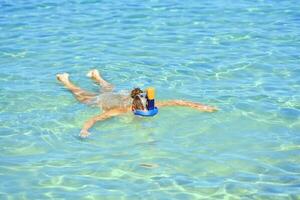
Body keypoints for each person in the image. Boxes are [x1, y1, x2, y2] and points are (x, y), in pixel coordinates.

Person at [56, 69, 217, 138]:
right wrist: (84, 130)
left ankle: (96, 76)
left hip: (116, 96)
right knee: (84, 98)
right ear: (134, 107)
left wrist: (201, 106)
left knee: (108, 89)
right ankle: (66, 81)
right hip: (103, 101)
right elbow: (94, 119)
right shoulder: (119, 111)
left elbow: (177, 101)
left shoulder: (152, 105)